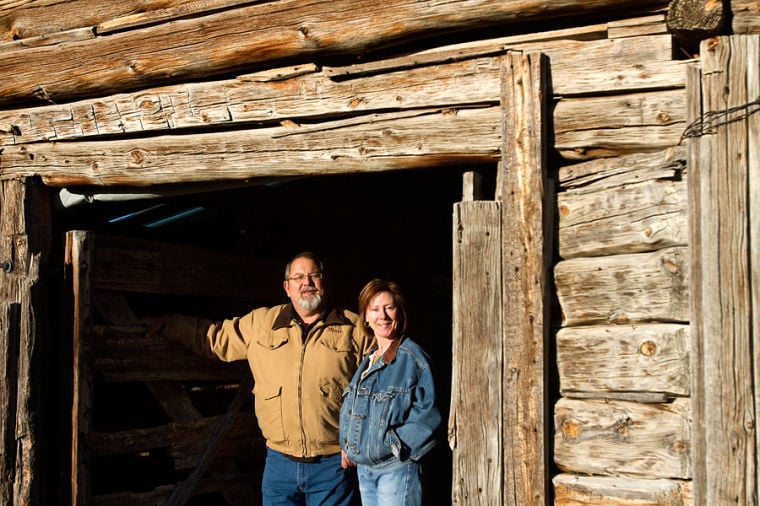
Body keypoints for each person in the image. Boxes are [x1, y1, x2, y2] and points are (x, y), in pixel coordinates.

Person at [142, 251, 373, 505]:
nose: (306, 282)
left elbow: (379, 387)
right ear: (287, 287)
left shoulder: (355, 329)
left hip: (333, 465)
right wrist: (168, 325)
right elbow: (215, 337)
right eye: (298, 277)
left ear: (323, 282)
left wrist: (359, 440)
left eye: (313, 275)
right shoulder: (261, 324)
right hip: (279, 463)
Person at [339, 279, 441, 506]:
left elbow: (429, 415)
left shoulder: (413, 358)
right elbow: (355, 408)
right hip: (366, 470)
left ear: (399, 312)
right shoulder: (369, 359)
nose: (382, 316)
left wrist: (395, 445)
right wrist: (347, 444)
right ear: (365, 317)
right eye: (374, 309)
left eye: (389, 307)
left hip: (395, 470)